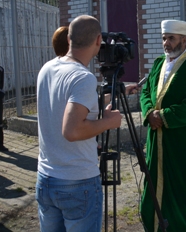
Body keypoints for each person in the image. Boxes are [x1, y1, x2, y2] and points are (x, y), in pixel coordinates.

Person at [35, 15, 123, 231]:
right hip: (77, 182)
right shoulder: (83, 77)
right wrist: (109, 122)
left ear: (69, 38)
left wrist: (109, 97)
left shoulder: (47, 68)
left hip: (46, 178)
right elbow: (72, 130)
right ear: (98, 40)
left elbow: (61, 106)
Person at [139, 20, 186, 232]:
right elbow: (145, 92)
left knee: (183, 191)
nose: (166, 43)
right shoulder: (159, 63)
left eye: (171, 38)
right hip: (155, 141)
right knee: (153, 188)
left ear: (183, 40)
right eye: (164, 38)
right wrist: (149, 113)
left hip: (181, 144)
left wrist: (165, 116)